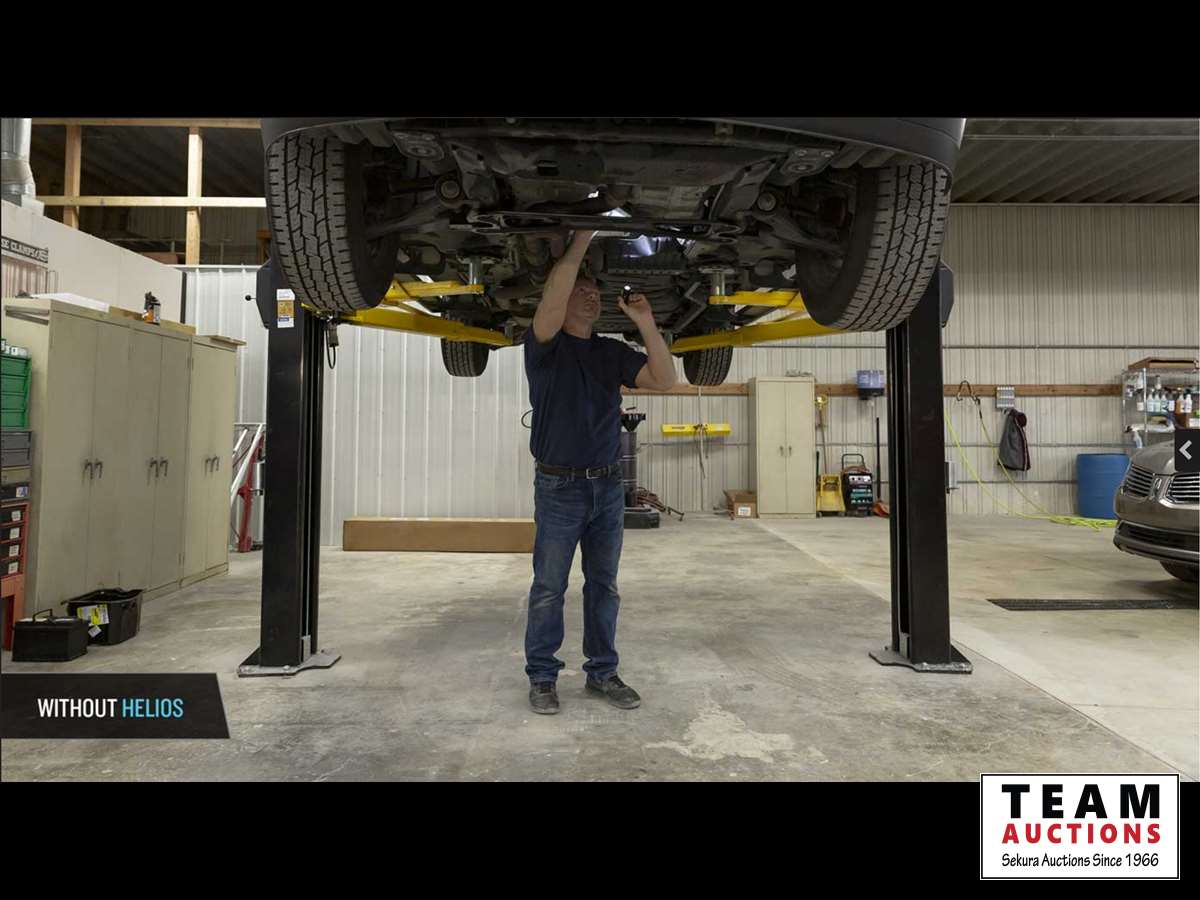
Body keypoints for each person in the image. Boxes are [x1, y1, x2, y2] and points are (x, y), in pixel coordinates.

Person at [522, 229, 677, 714]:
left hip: (607, 487)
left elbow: (665, 380)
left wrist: (646, 322)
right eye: (581, 291)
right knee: (549, 589)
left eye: (595, 292)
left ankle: (602, 673)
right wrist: (582, 237)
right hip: (558, 487)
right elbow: (552, 297)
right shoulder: (545, 346)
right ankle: (543, 677)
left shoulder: (610, 352)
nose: (592, 297)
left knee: (603, 586)